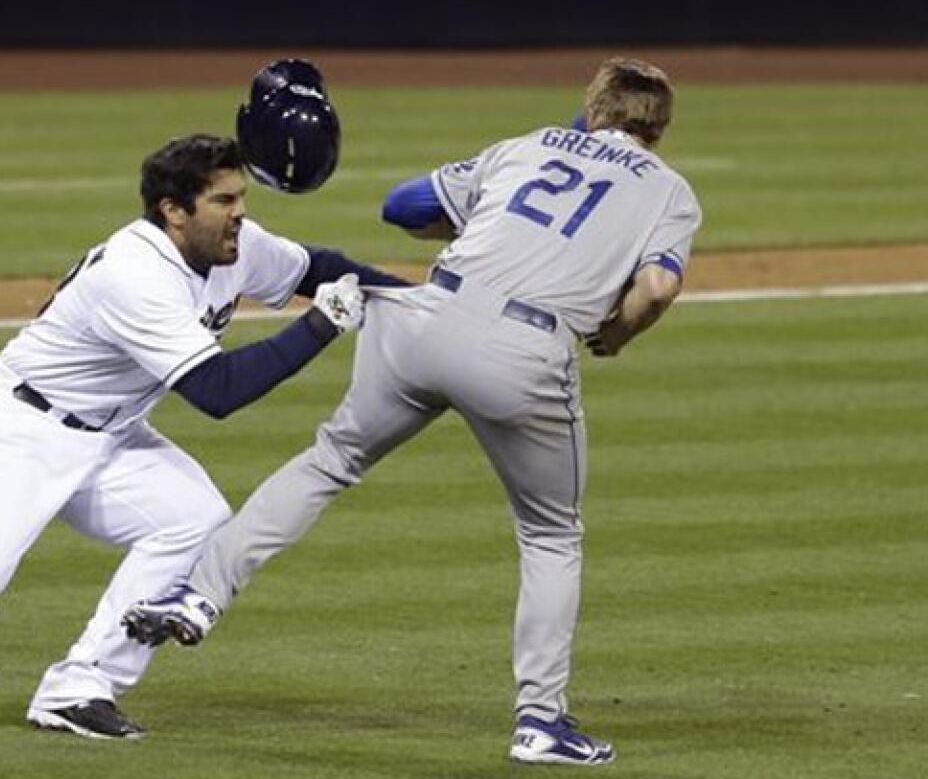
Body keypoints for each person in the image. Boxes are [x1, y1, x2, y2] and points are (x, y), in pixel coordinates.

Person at [123, 57, 702, 766]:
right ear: (659, 128)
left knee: (329, 460)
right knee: (552, 533)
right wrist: (615, 333)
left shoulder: (526, 146)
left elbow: (402, 208)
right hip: (523, 352)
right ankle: (540, 719)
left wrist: (476, 221)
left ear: (593, 110)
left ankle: (198, 596)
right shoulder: (671, 192)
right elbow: (659, 287)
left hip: (421, 318)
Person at [0, 132, 410, 739]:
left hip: (112, 436)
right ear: (174, 211)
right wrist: (319, 327)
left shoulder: (232, 245)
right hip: (21, 427)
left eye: (241, 197)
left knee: (195, 520)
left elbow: (317, 265)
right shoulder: (137, 273)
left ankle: (80, 685)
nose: (240, 212)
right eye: (224, 200)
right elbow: (219, 392)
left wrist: (423, 298)